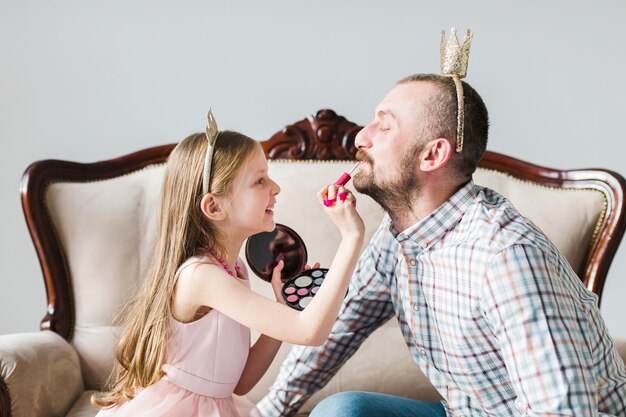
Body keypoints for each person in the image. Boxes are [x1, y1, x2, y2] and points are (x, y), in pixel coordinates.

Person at [256, 74, 626, 416]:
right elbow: (338, 333)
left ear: (433, 155)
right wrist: (264, 413)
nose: (360, 138)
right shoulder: (397, 235)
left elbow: (562, 411)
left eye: (383, 126)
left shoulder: (506, 257)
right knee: (342, 412)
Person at [91, 112, 365, 417]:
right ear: (214, 206)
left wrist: (283, 307)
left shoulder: (232, 269)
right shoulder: (202, 277)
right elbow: (310, 331)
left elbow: (239, 382)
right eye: (260, 180)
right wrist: (351, 237)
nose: (275, 188)